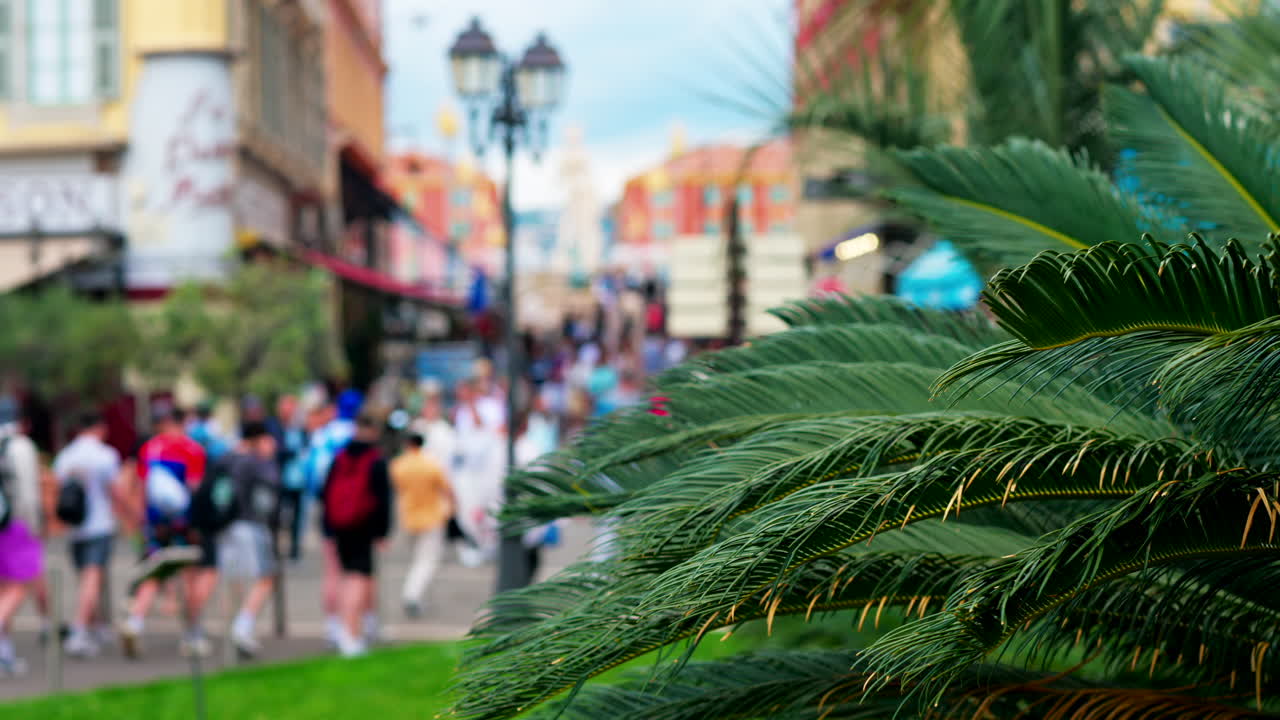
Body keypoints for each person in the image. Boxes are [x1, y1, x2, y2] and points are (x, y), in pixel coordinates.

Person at [120, 407, 215, 659]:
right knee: (190, 575)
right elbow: (194, 490)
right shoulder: (193, 450)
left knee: (155, 572)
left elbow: (141, 488)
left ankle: (135, 622)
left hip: (155, 524)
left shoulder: (149, 448)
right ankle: (191, 634)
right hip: (184, 524)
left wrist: (142, 521)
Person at [52, 413, 130, 658]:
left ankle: (95, 626)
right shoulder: (105, 455)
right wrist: (131, 515)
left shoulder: (66, 456)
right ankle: (79, 631)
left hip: (76, 529)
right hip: (99, 525)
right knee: (93, 578)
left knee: (87, 578)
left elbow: (58, 490)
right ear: (99, 428)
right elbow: (115, 491)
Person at [321, 414, 391, 658]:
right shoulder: (375, 460)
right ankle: (350, 635)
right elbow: (383, 501)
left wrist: (328, 528)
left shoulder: (339, 457)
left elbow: (325, 493)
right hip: (363, 528)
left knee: (342, 577)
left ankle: (345, 628)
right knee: (357, 580)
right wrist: (383, 533)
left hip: (339, 527)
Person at [216, 421, 280, 658]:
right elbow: (270, 491)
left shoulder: (225, 459)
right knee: (266, 577)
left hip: (226, 526)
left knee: (233, 579)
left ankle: (233, 626)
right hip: (250, 523)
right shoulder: (256, 462)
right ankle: (242, 626)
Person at [303, 389, 361, 646]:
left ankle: (333, 626)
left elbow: (310, 478)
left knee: (332, 570)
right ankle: (356, 627)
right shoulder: (354, 435)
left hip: (328, 509)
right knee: (356, 572)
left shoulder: (320, 437)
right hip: (354, 511)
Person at [0, 400, 41, 675]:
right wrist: (34, 526)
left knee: (3, 589)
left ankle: (5, 653)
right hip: (13, 524)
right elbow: (27, 492)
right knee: (19, 585)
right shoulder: (19, 446)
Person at [391, 433, 452, 617]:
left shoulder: (399, 465)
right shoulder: (431, 464)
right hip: (431, 518)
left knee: (417, 560)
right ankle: (412, 595)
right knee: (426, 562)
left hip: (409, 518)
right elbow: (447, 488)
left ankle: (418, 596)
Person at [268, 395, 307, 561]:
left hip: (297, 478)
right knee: (276, 515)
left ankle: (294, 549)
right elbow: (274, 450)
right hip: (278, 477)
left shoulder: (299, 428)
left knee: (296, 517)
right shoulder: (273, 426)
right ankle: (274, 549)